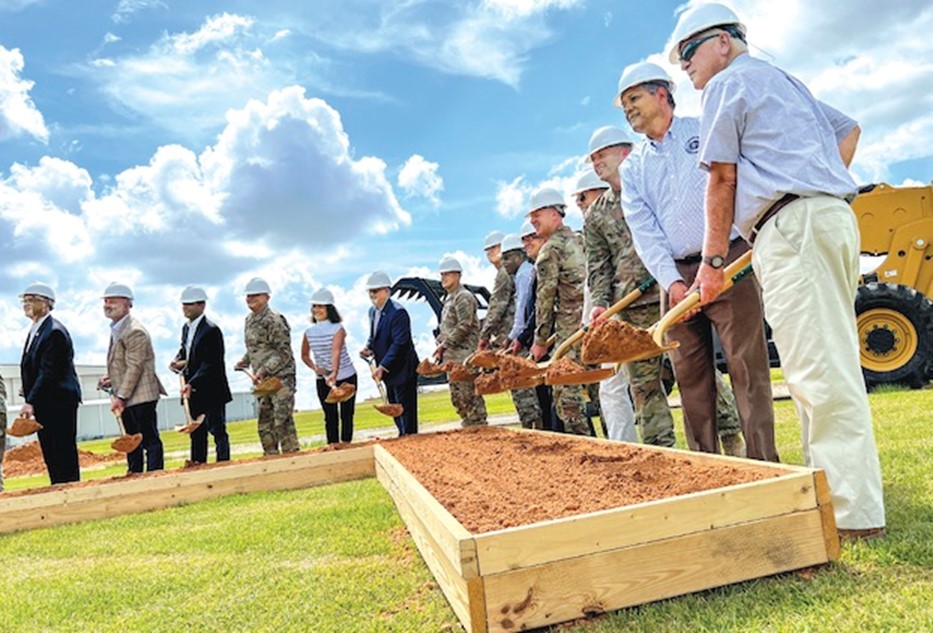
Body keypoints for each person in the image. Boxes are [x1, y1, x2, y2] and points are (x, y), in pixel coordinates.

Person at [669, 2, 884, 534]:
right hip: (823, 217)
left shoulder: (727, 83)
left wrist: (713, 262)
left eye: (689, 53)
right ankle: (830, 498)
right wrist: (815, 179)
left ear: (723, 42)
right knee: (822, 364)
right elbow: (848, 129)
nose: (686, 68)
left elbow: (722, 178)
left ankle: (852, 514)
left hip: (792, 224)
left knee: (818, 372)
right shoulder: (782, 81)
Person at [616, 61, 771, 460]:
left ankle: (763, 463)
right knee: (690, 377)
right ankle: (705, 463)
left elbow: (730, 181)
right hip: (677, 277)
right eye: (623, 105)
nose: (628, 109)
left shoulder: (704, 129)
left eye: (634, 99)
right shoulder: (633, 167)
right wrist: (673, 283)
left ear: (662, 94)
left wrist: (715, 260)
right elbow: (644, 231)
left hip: (728, 261)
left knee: (746, 367)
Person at [583, 126, 675, 447]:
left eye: (601, 155)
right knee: (644, 387)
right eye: (592, 159)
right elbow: (598, 265)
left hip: (670, 294)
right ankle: (662, 453)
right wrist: (599, 302)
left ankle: (729, 438)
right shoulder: (596, 213)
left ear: (625, 152)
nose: (596, 164)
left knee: (697, 376)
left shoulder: (655, 183)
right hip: (630, 308)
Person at [573, 171, 638, 442]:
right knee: (612, 385)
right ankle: (624, 445)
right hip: (609, 314)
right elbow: (595, 275)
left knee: (618, 386)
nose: (580, 203)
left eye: (582, 197)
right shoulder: (593, 227)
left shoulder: (627, 211)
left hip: (631, 307)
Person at [528, 187, 590, 436]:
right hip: (593, 325)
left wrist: (540, 341)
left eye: (537, 213)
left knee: (566, 396)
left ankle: (586, 449)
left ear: (555, 213)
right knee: (603, 392)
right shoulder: (581, 239)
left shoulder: (549, 251)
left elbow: (545, 299)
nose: (533, 220)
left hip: (570, 333)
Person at [99, 282, 166, 473]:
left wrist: (120, 397)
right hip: (129, 395)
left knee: (148, 439)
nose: (108, 305)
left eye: (113, 301)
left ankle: (155, 475)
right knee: (131, 440)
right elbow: (125, 364)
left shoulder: (134, 330)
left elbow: (135, 367)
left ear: (128, 303)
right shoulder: (118, 328)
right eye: (106, 301)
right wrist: (111, 378)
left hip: (140, 396)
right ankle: (135, 473)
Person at [18, 282, 81, 484]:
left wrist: (30, 400)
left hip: (59, 400)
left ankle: (69, 490)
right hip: (48, 401)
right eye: (25, 300)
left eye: (32, 300)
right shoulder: (36, 330)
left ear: (47, 303)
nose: (26, 304)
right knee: (51, 452)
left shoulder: (54, 331)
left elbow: (49, 372)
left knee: (62, 450)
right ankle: (58, 488)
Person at [235, 277, 300, 455]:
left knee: (281, 420)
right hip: (262, 381)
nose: (250, 299)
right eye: (248, 296)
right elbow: (256, 348)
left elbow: (283, 352)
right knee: (265, 422)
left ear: (266, 297)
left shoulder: (274, 320)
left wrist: (264, 370)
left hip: (281, 379)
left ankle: (292, 457)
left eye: (255, 295)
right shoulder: (249, 320)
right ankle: (270, 458)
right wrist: (245, 361)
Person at [169, 285, 232, 465]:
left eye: (189, 304)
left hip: (211, 389)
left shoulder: (212, 330)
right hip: (193, 391)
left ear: (201, 305)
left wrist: (193, 382)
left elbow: (211, 363)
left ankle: (223, 464)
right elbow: (185, 351)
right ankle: (197, 464)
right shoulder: (186, 328)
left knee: (217, 430)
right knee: (196, 431)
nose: (185, 308)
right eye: (183, 304)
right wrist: (176, 360)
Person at [511, 221, 557, 432]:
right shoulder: (534, 271)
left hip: (550, 339)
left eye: (532, 237)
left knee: (560, 399)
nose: (527, 242)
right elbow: (533, 311)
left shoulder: (546, 263)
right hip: (537, 339)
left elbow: (546, 307)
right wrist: (521, 338)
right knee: (546, 400)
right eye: (524, 239)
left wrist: (536, 339)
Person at [362, 271, 419, 436]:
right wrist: (368, 347)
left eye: (376, 291)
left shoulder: (398, 312)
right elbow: (374, 336)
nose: (372, 295)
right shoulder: (372, 312)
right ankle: (402, 437)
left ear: (387, 291)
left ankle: (410, 439)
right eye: (370, 291)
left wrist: (383, 366)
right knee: (394, 407)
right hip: (388, 371)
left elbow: (399, 344)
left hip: (403, 369)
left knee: (405, 409)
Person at [434, 256, 488, 427]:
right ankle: (469, 425)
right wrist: (442, 338)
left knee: (469, 396)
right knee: (458, 398)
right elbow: (452, 326)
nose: (443, 278)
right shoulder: (449, 298)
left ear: (458, 275)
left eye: (447, 274)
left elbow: (465, 325)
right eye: (442, 274)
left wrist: (445, 344)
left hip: (465, 357)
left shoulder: (463, 296)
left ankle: (479, 426)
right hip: (453, 359)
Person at [498, 233, 544, 429]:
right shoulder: (522, 274)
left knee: (535, 394)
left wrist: (513, 338)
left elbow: (523, 310)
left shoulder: (525, 273)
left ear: (520, 255)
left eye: (508, 257)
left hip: (531, 338)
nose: (504, 263)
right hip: (527, 335)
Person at [302, 288, 357, 444]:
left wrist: (334, 372)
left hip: (346, 375)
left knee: (347, 414)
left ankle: (347, 445)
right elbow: (305, 355)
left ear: (329, 308)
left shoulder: (338, 328)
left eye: (321, 306)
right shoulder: (308, 332)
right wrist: (316, 368)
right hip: (323, 378)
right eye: (314, 306)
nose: (316, 310)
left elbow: (336, 351)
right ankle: (333, 446)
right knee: (329, 415)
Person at [478, 230, 513, 350]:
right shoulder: (508, 270)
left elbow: (497, 306)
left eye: (494, 247)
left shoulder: (504, 272)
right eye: (487, 250)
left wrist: (484, 335)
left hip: (508, 332)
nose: (490, 252)